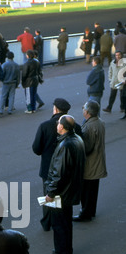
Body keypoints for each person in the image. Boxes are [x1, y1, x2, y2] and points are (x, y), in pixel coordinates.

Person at [33, 99, 82, 232]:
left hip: (48, 168)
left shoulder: (44, 126)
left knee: (48, 195)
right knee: (64, 197)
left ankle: (48, 222)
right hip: (69, 170)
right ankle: (61, 221)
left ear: (55, 109)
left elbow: (36, 149)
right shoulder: (76, 127)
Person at [45, 115, 86, 254]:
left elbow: (59, 174)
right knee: (66, 223)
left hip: (61, 194)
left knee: (59, 224)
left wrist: (50, 194)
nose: (56, 125)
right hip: (70, 191)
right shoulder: (76, 139)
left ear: (62, 127)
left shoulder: (65, 145)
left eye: (58, 123)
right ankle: (67, 250)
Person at [73, 101, 107, 222]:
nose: (83, 111)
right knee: (93, 190)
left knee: (86, 191)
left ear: (87, 112)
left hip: (90, 165)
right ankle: (90, 211)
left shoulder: (89, 126)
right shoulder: (99, 122)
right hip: (97, 162)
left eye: (84, 109)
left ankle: (85, 213)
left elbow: (87, 147)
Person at [0, 51, 20, 115]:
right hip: (13, 82)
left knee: (3, 96)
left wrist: (2, 80)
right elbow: (18, 76)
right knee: (12, 96)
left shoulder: (4, 64)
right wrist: (17, 83)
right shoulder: (16, 65)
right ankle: (10, 110)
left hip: (6, 82)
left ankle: (1, 110)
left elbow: (1, 74)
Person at [22, 49, 41, 114]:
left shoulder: (26, 64)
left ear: (27, 56)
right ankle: (33, 108)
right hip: (35, 80)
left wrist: (23, 81)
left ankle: (29, 109)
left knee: (28, 95)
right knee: (33, 94)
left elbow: (24, 74)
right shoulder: (36, 62)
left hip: (28, 81)